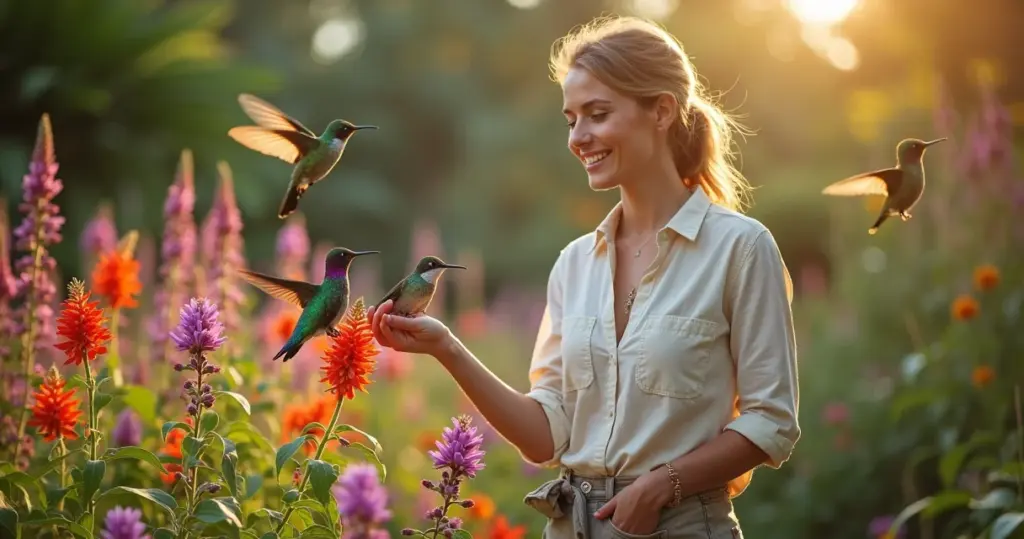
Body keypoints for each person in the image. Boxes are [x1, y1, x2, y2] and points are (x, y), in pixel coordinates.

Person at [366, 14, 800, 539]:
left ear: (661, 110)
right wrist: (447, 348)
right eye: (571, 119)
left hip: (680, 525)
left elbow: (770, 422)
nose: (578, 137)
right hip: (572, 526)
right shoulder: (575, 264)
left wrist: (664, 484)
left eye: (597, 114)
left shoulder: (740, 248)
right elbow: (546, 437)